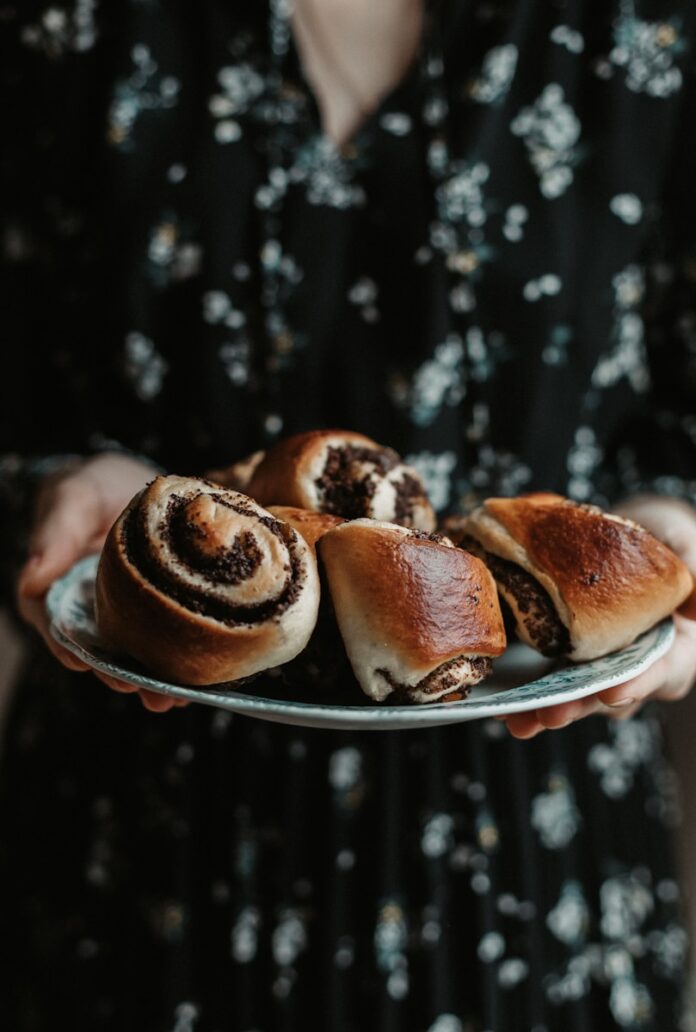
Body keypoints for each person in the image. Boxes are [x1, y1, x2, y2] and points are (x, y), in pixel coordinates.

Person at [2, 1, 696, 1028]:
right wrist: (62, 488)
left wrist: (665, 540)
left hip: (529, 853)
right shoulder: (60, 23)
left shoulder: (650, 27)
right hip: (138, 848)